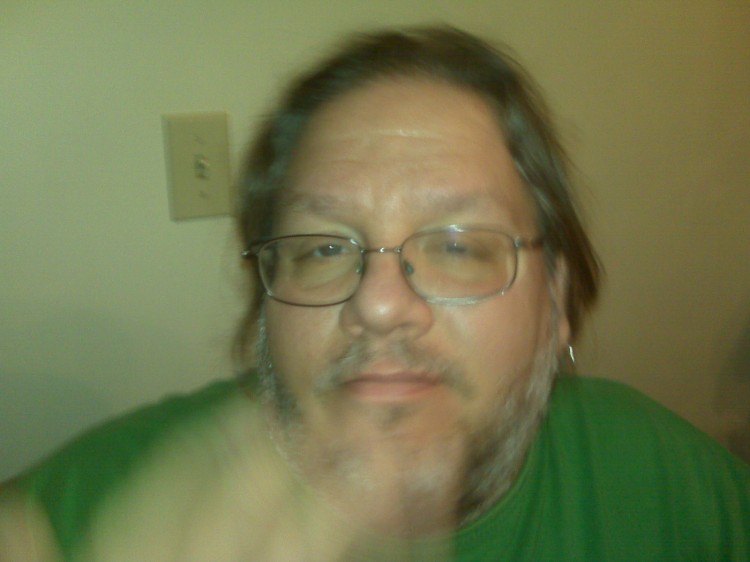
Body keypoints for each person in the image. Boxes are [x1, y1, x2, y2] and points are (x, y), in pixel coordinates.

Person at [1, 26, 749, 561]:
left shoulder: (666, 483)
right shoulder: (98, 508)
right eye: (324, 248)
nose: (379, 304)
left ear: (555, 305)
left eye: (457, 245)